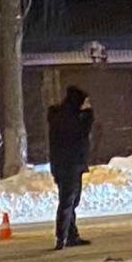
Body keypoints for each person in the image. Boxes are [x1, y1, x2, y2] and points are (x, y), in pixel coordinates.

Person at [48, 86, 94, 250]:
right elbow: (82, 132)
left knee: (70, 201)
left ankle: (71, 235)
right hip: (71, 165)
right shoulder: (71, 119)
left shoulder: (59, 117)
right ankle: (62, 236)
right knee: (68, 201)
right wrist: (89, 114)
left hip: (62, 165)